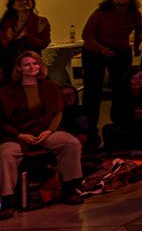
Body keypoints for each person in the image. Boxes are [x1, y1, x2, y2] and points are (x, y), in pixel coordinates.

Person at [0, 51, 86, 215]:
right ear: (19, 68)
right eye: (27, 64)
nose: (32, 67)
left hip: (45, 130)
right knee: (5, 153)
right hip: (18, 134)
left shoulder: (50, 87)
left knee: (71, 143)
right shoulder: (6, 92)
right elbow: (2, 121)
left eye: (35, 63)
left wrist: (49, 131)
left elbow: (58, 112)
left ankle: (70, 188)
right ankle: (7, 200)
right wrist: (20, 135)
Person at [81, 0, 141, 145]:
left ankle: (119, 122)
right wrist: (102, 49)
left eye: (123, 5)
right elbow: (86, 35)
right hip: (95, 50)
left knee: (121, 86)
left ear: (129, 4)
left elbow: (139, 29)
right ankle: (90, 126)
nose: (120, 8)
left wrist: (136, 46)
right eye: (116, 5)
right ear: (111, 3)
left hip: (120, 50)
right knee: (93, 88)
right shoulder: (100, 14)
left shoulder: (134, 14)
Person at [103, 67, 142, 153]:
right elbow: (114, 116)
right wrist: (131, 114)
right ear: (128, 80)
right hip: (128, 127)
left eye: (141, 77)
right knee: (107, 129)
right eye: (134, 78)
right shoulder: (120, 92)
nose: (138, 81)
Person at [0, 0, 52, 84]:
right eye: (20, 0)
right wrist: (9, 39)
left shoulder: (40, 21)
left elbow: (44, 43)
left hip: (30, 63)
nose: (24, 2)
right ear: (13, 5)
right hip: (9, 63)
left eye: (28, 0)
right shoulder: (7, 24)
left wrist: (27, 38)